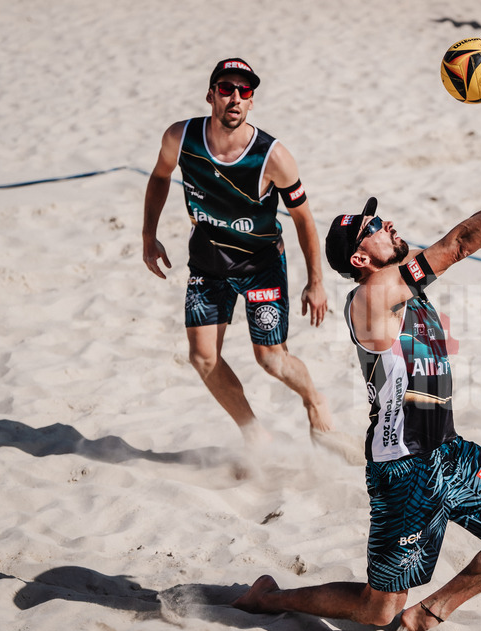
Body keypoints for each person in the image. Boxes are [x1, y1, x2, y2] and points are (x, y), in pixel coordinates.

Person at [232, 158, 481, 631]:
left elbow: (467, 236)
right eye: (373, 228)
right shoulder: (374, 298)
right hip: (403, 468)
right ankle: (269, 598)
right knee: (376, 610)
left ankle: (431, 610)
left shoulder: (403, 279)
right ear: (360, 260)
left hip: (450, 449)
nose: (387, 225)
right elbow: (458, 243)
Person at [142, 58, 339, 449]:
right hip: (208, 262)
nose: (234, 97)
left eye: (244, 91)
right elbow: (160, 176)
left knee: (271, 361)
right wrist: (149, 235)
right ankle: (254, 435)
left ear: (251, 102)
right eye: (226, 88)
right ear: (210, 95)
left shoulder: (273, 156)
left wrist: (316, 282)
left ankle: (314, 399)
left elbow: (304, 219)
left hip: (261, 265)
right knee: (202, 358)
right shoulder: (181, 138)